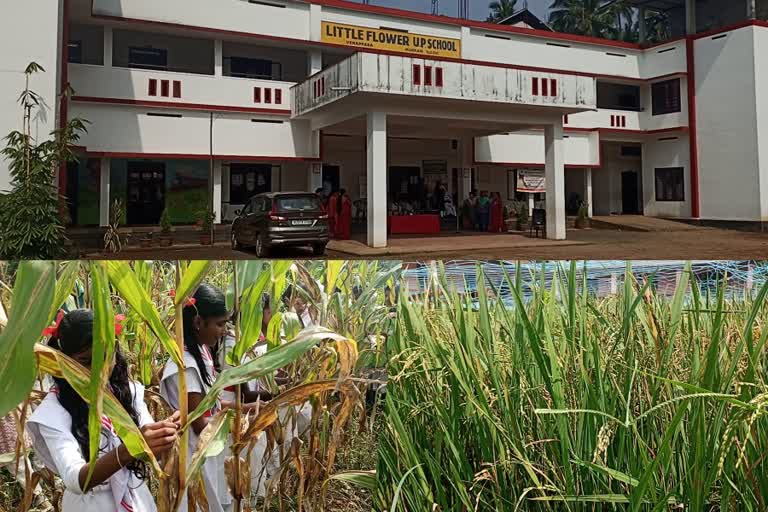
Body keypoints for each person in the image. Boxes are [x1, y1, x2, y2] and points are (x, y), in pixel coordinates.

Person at [27, 309, 180, 512]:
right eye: (85, 361)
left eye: (105, 356)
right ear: (62, 360)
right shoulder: (53, 412)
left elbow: (152, 451)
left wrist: (165, 435)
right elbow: (75, 479)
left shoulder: (128, 392)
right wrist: (128, 450)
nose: (100, 369)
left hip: (137, 501)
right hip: (91, 505)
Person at [160, 284, 264, 512]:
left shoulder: (202, 352)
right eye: (219, 324)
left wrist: (246, 408)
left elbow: (210, 406)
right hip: (195, 457)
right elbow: (199, 423)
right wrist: (238, 420)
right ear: (198, 323)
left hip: (209, 450)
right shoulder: (185, 366)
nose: (224, 330)